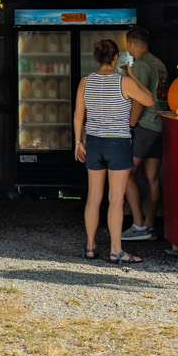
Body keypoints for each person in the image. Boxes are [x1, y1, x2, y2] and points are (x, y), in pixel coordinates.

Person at [74, 37, 158, 265]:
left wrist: (77, 142)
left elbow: (78, 114)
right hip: (118, 144)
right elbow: (149, 100)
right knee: (116, 200)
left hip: (93, 142)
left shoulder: (85, 82)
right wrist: (132, 76)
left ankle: (90, 247)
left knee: (93, 198)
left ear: (96, 58)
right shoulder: (124, 82)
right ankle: (116, 251)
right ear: (115, 58)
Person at [122, 27, 167, 240]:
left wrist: (130, 125)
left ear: (130, 44)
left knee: (126, 173)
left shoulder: (139, 65)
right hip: (160, 124)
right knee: (152, 178)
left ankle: (138, 226)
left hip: (145, 126)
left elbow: (139, 100)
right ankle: (149, 226)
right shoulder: (159, 64)